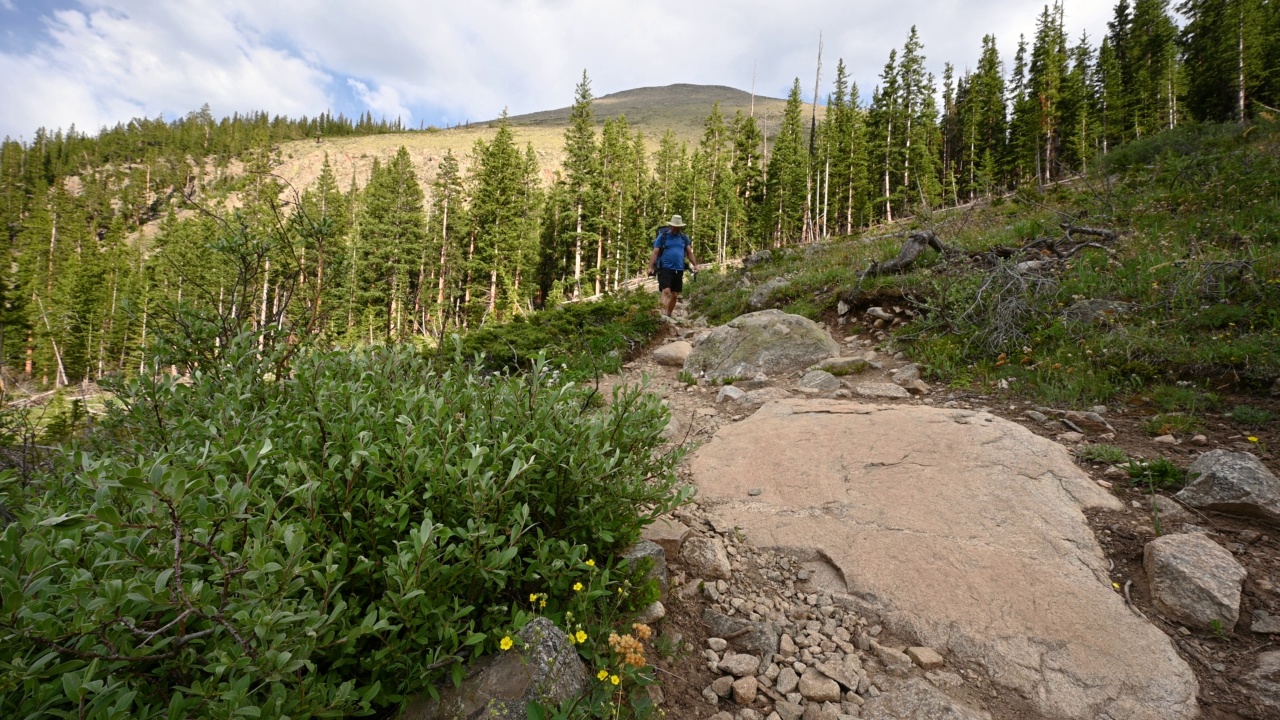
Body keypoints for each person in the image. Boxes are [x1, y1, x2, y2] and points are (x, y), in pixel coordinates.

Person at [646, 215, 700, 318]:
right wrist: (650, 267)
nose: (676, 228)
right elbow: (655, 252)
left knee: (675, 294)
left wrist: (695, 265)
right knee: (666, 291)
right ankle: (662, 316)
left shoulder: (684, 238)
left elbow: (689, 253)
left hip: (678, 269)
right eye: (674, 226)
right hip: (665, 268)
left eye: (678, 226)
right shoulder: (663, 237)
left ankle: (668, 315)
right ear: (671, 226)